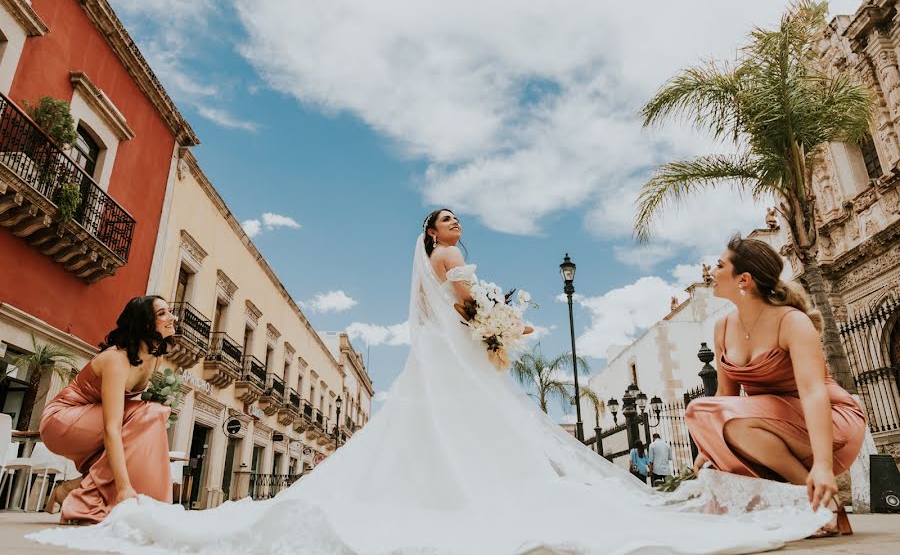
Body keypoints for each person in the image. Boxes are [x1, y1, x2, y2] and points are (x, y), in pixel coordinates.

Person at [31, 213, 834, 554]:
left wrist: (492, 324)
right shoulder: (449, 264)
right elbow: (469, 304)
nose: (454, 228)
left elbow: (467, 314)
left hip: (444, 364)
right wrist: (502, 321)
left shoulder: (442, 264)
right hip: (457, 358)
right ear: (431, 235)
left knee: (443, 434)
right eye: (444, 221)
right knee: (478, 437)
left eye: (455, 221)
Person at [685, 234, 866, 538]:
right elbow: (726, 397)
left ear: (744, 279)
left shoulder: (791, 321)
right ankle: (810, 499)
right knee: (703, 412)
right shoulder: (723, 327)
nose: (710, 274)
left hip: (828, 421)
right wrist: (709, 446)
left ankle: (819, 498)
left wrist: (823, 465)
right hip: (764, 425)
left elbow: (813, 392)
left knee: (702, 409)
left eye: (719, 265)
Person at [38, 296, 176, 524]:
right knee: (149, 413)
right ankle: (86, 501)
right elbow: (112, 427)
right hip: (61, 420)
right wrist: (123, 489)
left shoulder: (154, 359)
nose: (172, 317)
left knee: (149, 419)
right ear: (144, 323)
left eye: (168, 311)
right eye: (162, 313)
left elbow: (127, 426)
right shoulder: (116, 359)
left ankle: (71, 491)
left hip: (92, 422)